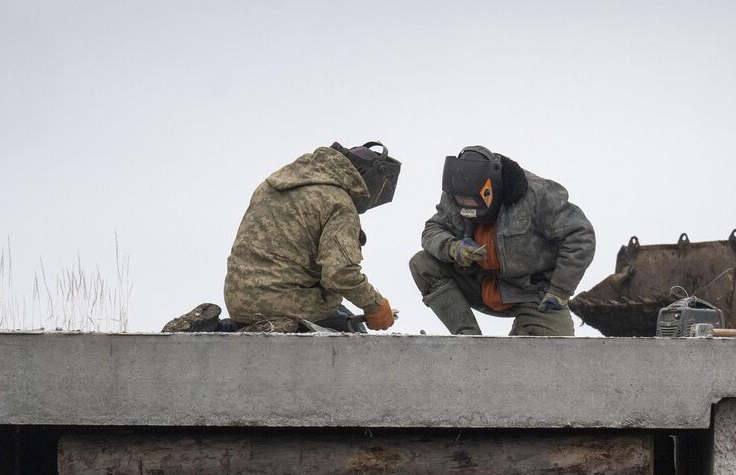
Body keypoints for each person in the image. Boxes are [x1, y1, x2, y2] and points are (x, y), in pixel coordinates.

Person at [410, 146, 595, 337]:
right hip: (480, 283)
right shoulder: (455, 193)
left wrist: (560, 290)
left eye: (473, 200)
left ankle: (527, 328)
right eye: (461, 200)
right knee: (422, 263)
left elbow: (580, 236)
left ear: (490, 187)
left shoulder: (538, 195)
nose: (467, 205)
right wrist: (453, 248)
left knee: (556, 354)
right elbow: (432, 230)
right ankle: (467, 338)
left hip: (534, 293)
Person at [218, 141, 401, 332]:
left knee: (339, 312)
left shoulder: (272, 185)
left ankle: (227, 328)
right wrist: (375, 305)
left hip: (238, 303)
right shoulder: (338, 202)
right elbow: (339, 274)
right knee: (357, 338)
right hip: (286, 304)